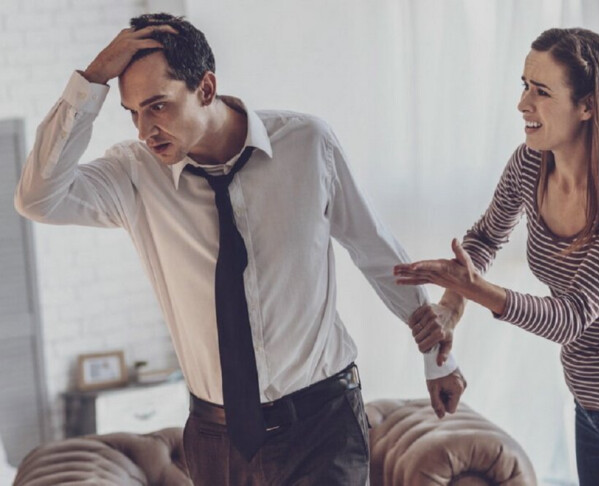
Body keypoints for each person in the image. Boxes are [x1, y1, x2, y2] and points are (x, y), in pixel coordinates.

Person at [14, 13, 466, 486]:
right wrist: (92, 80)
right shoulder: (134, 175)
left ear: (206, 88)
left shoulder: (307, 144)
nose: (145, 130)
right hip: (216, 441)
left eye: (158, 106)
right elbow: (37, 198)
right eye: (132, 113)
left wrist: (438, 356)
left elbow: (374, 249)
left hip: (323, 425)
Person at [394, 27, 599, 486]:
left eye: (541, 91)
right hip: (589, 411)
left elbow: (572, 316)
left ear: (588, 106)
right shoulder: (530, 164)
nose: (523, 104)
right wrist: (451, 306)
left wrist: (474, 288)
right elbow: (484, 238)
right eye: (524, 85)